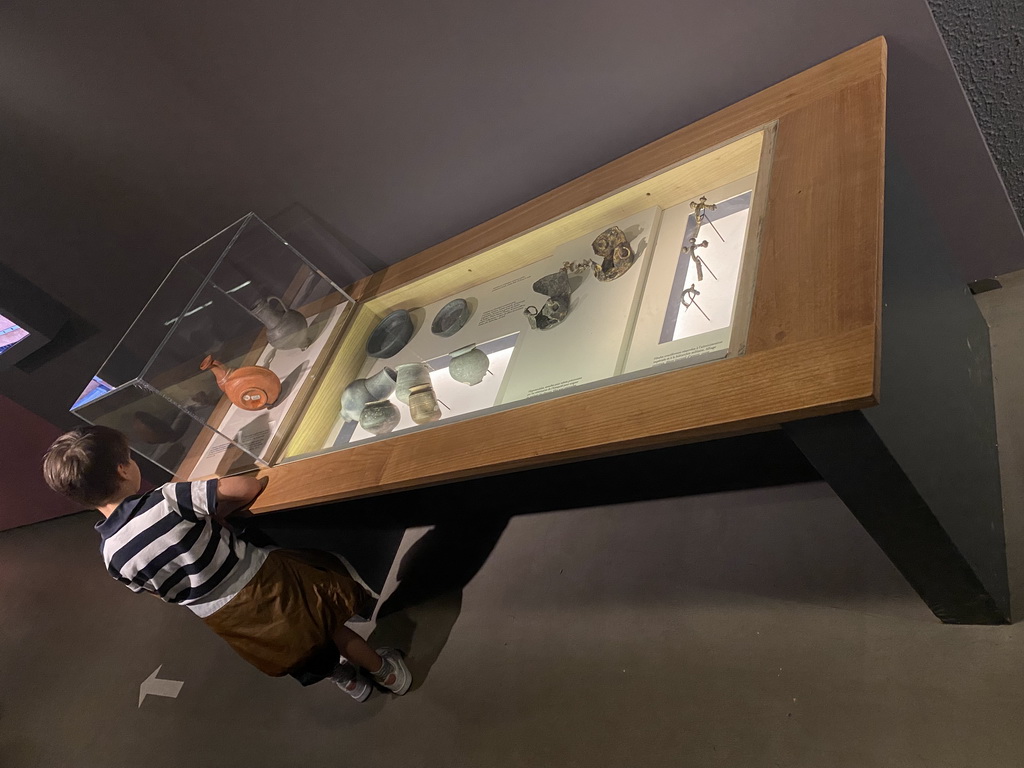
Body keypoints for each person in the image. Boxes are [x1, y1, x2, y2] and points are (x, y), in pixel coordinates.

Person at [41, 424, 410, 702]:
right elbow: (247, 488)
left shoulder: (111, 557)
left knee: (299, 651)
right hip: (266, 582)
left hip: (226, 619)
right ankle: (386, 673)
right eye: (131, 459)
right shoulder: (166, 499)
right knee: (329, 628)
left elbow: (159, 595)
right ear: (123, 471)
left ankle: (350, 683)